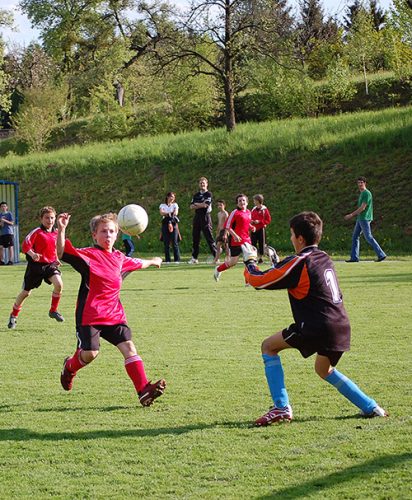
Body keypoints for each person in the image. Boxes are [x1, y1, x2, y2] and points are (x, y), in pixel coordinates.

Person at [242, 211, 387, 426]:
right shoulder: (324, 257)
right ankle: (371, 406)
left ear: (300, 238)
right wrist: (280, 265)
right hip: (341, 325)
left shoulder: (299, 262)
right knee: (323, 369)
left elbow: (259, 281)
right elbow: (301, 278)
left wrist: (250, 262)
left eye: (292, 235)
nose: (291, 238)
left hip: (317, 326)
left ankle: (281, 408)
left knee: (268, 347)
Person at [56, 212, 166, 407]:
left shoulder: (119, 257)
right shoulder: (88, 255)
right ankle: (69, 367)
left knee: (129, 347)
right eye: (103, 231)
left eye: (112, 231)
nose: (108, 235)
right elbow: (62, 253)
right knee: (90, 354)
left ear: (117, 234)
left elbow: (138, 263)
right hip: (90, 314)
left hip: (114, 314)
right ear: (94, 235)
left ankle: (143, 390)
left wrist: (154, 261)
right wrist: (62, 229)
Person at [7, 206, 64, 330]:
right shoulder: (37, 232)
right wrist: (33, 254)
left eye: (52, 218)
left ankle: (53, 310)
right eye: (47, 218)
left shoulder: (56, 233)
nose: (50, 220)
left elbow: (54, 248)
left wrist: (56, 259)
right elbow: (25, 245)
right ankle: (13, 315)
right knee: (26, 293)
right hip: (35, 266)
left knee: (59, 284)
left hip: (49, 265)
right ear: (41, 219)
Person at [344, 176, 387, 262]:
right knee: (355, 237)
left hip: (364, 218)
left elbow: (363, 208)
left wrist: (351, 215)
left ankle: (381, 254)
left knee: (368, 237)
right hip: (360, 218)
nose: (360, 184)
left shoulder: (366, 193)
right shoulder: (362, 193)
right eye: (358, 183)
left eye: (361, 182)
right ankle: (354, 257)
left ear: (365, 183)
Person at [213, 193, 255, 282]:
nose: (242, 202)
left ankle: (248, 281)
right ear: (237, 203)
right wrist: (235, 236)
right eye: (239, 201)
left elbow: (246, 223)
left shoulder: (248, 212)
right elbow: (227, 226)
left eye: (243, 200)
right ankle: (218, 269)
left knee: (249, 260)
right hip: (236, 241)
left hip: (246, 240)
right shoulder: (235, 213)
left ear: (247, 202)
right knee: (232, 262)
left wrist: (251, 227)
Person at [188, 177, 216, 264]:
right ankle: (194, 258)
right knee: (195, 237)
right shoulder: (196, 195)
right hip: (197, 217)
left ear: (207, 184)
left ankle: (216, 256)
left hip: (205, 217)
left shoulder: (208, 194)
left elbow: (205, 205)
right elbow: (191, 206)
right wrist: (199, 204)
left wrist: (197, 204)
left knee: (209, 237)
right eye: (200, 183)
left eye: (203, 183)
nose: (202, 184)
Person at [159, 192, 181, 263]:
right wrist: (169, 213)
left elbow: (175, 213)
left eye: (173, 197)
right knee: (166, 242)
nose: (172, 198)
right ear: (167, 197)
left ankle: (177, 259)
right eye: (171, 196)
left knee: (175, 242)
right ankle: (167, 259)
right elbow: (161, 212)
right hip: (165, 223)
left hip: (173, 222)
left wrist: (167, 213)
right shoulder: (162, 205)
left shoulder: (175, 205)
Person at [250, 194, 272, 264]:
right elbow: (250, 217)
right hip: (254, 229)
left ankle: (261, 258)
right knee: (253, 243)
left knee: (261, 243)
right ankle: (255, 257)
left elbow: (268, 220)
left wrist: (259, 221)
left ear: (259, 200)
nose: (254, 202)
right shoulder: (253, 209)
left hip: (261, 229)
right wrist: (252, 221)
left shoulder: (264, 210)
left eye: (255, 200)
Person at [213, 199, 229, 264]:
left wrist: (225, 234)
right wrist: (217, 232)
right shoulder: (219, 214)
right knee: (223, 245)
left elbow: (227, 224)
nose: (219, 206)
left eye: (221, 205)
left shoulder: (226, 213)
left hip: (224, 231)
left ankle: (216, 259)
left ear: (224, 205)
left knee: (221, 245)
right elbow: (219, 224)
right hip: (220, 231)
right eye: (218, 205)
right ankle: (226, 257)